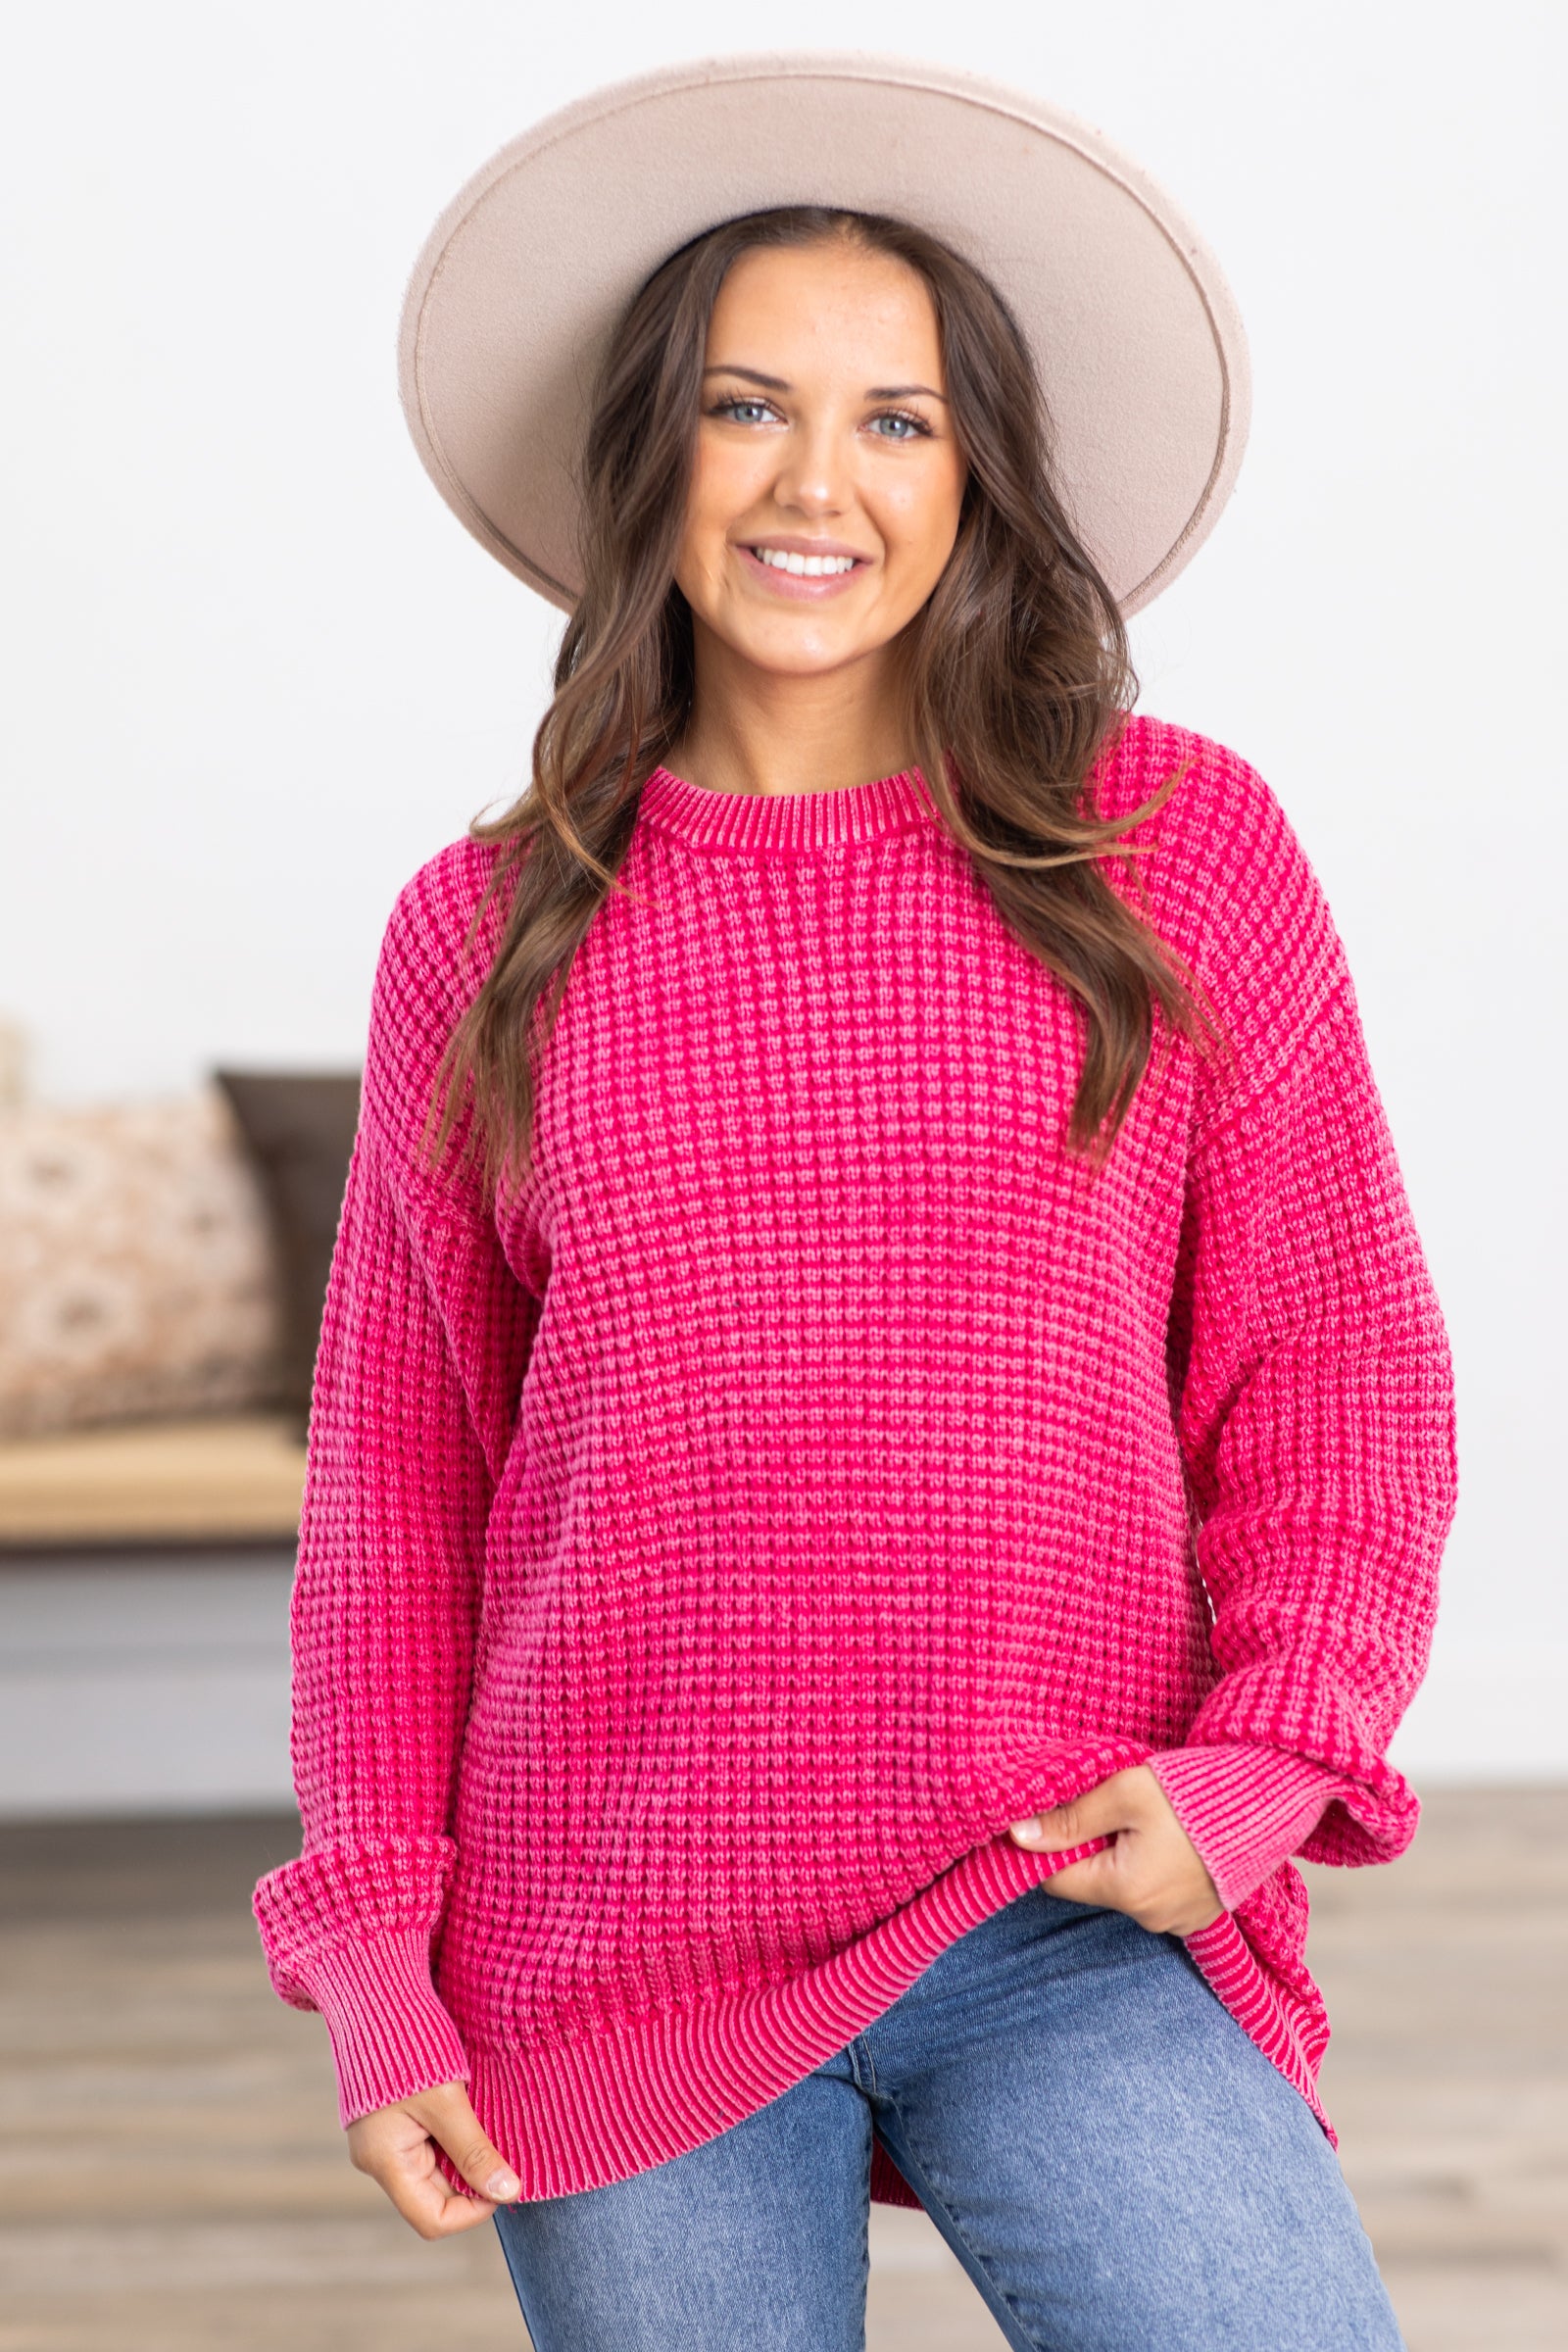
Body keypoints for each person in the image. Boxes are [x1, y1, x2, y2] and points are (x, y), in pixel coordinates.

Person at [254, 55, 1458, 2351]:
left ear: (974, 473)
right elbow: (400, 1498)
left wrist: (1267, 1756)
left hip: (1057, 1906)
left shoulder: (1169, 848)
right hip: (607, 1949)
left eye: (895, 419)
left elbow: (1332, 1365)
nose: (817, 483)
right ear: (655, 458)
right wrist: (376, 1959)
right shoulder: (482, 932)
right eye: (746, 408)